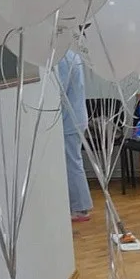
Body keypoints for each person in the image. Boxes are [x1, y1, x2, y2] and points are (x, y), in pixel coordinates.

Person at [56, 49, 93, 222]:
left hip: (70, 120)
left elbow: (59, 90)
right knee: (73, 161)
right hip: (75, 117)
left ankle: (80, 208)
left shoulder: (61, 58)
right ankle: (78, 205)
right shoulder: (71, 55)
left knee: (72, 163)